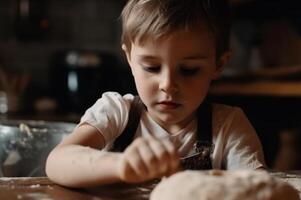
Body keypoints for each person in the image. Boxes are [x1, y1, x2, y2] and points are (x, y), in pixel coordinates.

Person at [45, 0, 266, 188]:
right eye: (151, 67)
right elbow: (57, 161)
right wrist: (120, 165)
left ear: (219, 64)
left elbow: (257, 189)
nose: (168, 85)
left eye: (188, 70)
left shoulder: (228, 127)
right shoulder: (116, 113)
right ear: (130, 58)